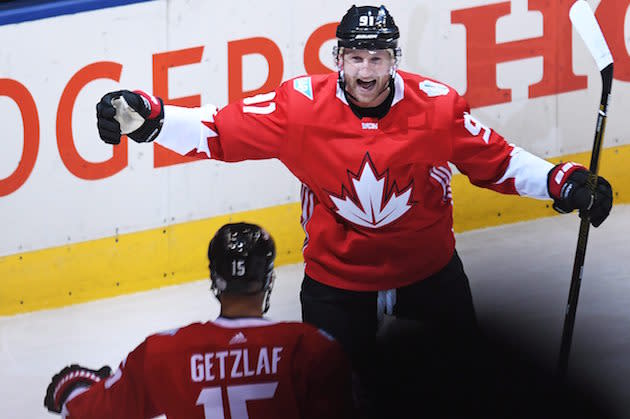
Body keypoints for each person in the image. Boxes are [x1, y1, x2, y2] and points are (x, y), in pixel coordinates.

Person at [95, 4, 613, 415]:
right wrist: (149, 116)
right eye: (356, 58)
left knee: (464, 396)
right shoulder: (297, 108)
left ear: (395, 60)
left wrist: (561, 181)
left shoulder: (436, 107)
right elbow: (216, 129)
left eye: (378, 58)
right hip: (337, 290)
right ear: (338, 59)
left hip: (429, 280)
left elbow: (495, 160)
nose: (367, 71)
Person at [43, 223, 353, 419]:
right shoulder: (310, 347)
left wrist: (72, 388)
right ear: (268, 280)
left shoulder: (162, 352)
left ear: (215, 280)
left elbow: (93, 412)